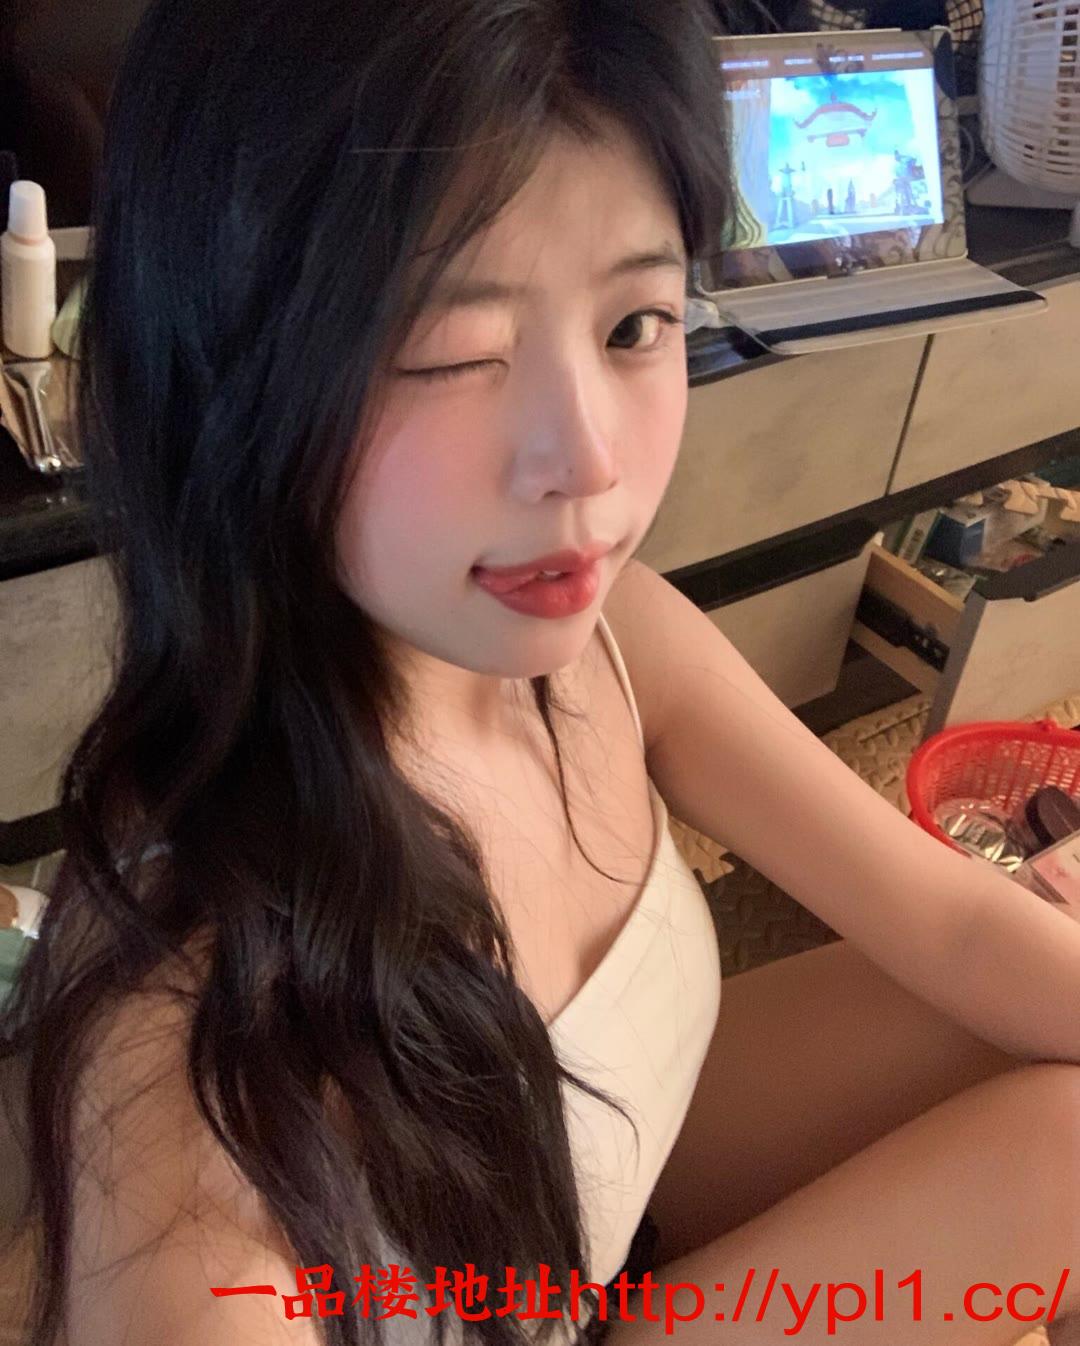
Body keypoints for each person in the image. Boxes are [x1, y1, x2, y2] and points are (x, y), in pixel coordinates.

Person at [2, 2, 1079, 1345]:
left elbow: (956, 925)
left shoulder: (616, 645)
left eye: (634, 326)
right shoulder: (192, 1076)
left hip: (596, 1197)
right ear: (227, 361)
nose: (589, 462)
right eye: (455, 351)